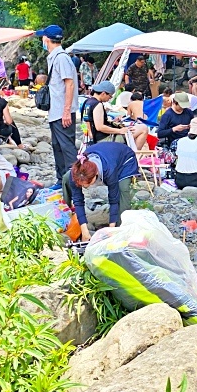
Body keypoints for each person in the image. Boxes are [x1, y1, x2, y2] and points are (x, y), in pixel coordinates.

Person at [65, 142, 139, 242]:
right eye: (82, 185)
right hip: (104, 153)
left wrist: (111, 229)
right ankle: (67, 210)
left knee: (122, 190)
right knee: (66, 178)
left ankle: (120, 229)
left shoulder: (109, 171)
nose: (86, 187)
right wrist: (85, 231)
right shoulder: (77, 172)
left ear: (96, 175)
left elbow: (114, 199)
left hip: (125, 159)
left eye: (88, 184)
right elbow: (78, 200)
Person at [37, 25, 77, 182]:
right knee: (57, 146)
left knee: (67, 148)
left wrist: (66, 111)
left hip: (62, 112)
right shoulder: (55, 57)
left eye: (43, 37)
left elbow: (70, 84)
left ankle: (74, 182)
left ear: (46, 39)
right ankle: (62, 180)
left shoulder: (61, 58)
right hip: (56, 111)